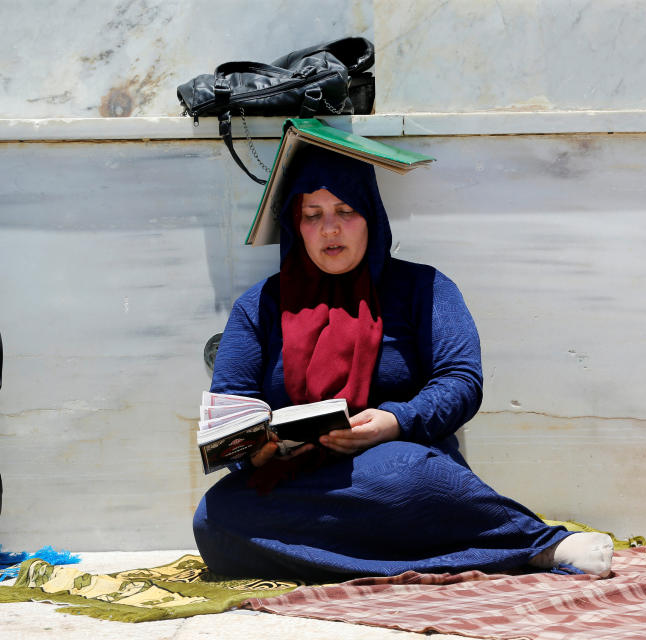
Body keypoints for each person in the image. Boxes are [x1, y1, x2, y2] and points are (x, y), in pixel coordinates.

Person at [192, 147, 613, 580]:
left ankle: (538, 543)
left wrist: (395, 421)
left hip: (391, 467)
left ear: (372, 216)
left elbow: (461, 380)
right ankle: (462, 553)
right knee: (214, 518)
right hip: (295, 481)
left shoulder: (423, 287)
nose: (330, 228)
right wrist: (254, 455)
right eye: (312, 214)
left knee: (407, 477)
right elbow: (232, 404)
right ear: (295, 225)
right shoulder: (260, 305)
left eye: (346, 210)